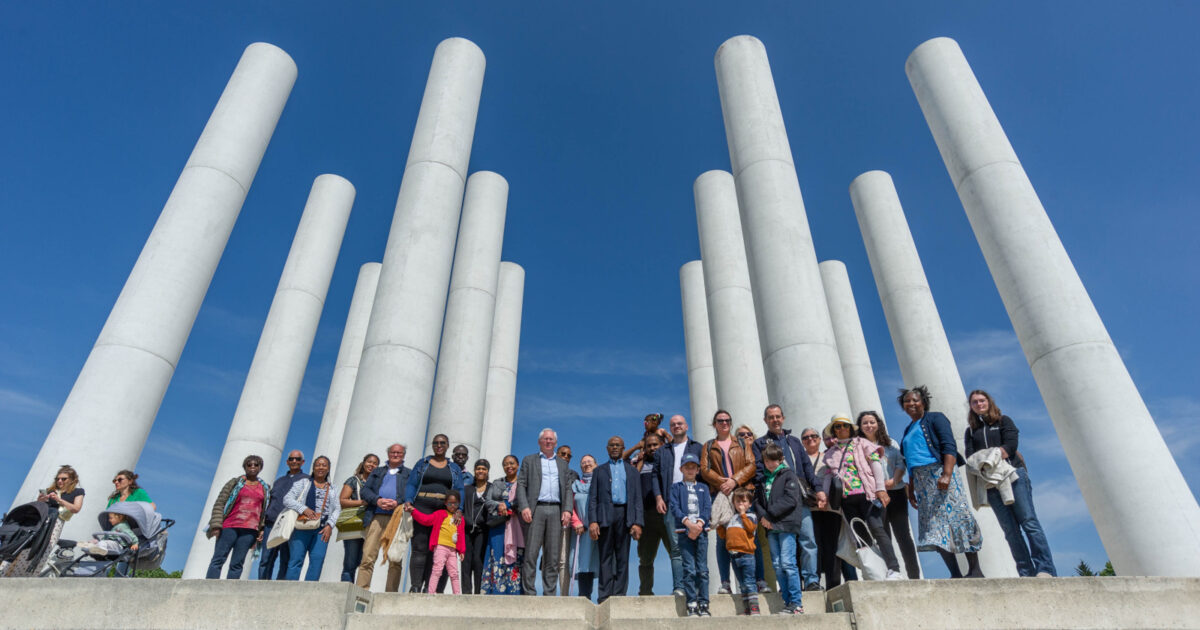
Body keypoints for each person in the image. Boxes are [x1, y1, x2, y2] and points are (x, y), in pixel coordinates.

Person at [964, 389, 1056, 577]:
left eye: (982, 400)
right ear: (971, 406)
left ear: (989, 402)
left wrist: (989, 457)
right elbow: (970, 457)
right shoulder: (971, 431)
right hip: (989, 482)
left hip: (1013, 476)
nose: (979, 404)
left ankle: (1045, 569)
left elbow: (1010, 446)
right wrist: (990, 458)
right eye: (975, 402)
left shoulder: (1003, 421)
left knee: (1029, 522)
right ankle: (1026, 572)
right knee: (1010, 531)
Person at [898, 385, 984, 578]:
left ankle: (975, 570)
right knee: (935, 527)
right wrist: (911, 489)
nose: (911, 403)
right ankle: (955, 574)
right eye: (907, 401)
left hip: (940, 473)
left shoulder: (936, 418)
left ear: (923, 402)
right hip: (921, 481)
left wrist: (947, 473)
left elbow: (948, 445)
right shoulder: (908, 429)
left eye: (915, 400)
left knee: (958, 517)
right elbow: (910, 461)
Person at [821, 413, 903, 581]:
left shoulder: (862, 443)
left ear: (850, 428)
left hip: (867, 494)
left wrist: (880, 489)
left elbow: (875, 464)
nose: (842, 429)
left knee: (877, 528)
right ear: (834, 430)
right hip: (847, 499)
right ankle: (875, 571)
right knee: (859, 535)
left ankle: (894, 568)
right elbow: (829, 476)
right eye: (838, 426)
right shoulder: (830, 453)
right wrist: (825, 496)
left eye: (845, 425)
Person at [751, 404, 823, 592]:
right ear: (765, 420)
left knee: (808, 540)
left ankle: (811, 581)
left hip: (799, 499)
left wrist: (819, 489)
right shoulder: (760, 444)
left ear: (783, 418)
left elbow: (807, 467)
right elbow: (758, 474)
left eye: (777, 416)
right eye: (771, 417)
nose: (775, 420)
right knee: (783, 549)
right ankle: (790, 587)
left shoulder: (794, 441)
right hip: (776, 502)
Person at [857, 411, 920, 579]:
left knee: (903, 535)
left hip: (896, 492)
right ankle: (891, 572)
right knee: (883, 536)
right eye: (865, 423)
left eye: (872, 422)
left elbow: (900, 463)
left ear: (878, 424)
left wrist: (893, 481)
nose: (869, 426)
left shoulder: (890, 443)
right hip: (876, 496)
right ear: (860, 427)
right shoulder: (859, 446)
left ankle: (914, 575)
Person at [699, 410, 755, 594]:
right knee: (722, 539)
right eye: (720, 420)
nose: (724, 423)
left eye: (727, 420)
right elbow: (704, 469)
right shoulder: (709, 446)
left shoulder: (741, 443)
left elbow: (751, 465)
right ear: (714, 424)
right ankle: (725, 582)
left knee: (747, 534)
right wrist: (722, 482)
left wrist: (734, 480)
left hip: (741, 493)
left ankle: (755, 581)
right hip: (721, 494)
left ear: (731, 423)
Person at [645, 414, 699, 596]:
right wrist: (659, 497)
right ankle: (680, 587)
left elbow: (704, 474)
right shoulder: (663, 451)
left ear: (686, 426)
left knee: (696, 545)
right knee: (676, 549)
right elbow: (655, 475)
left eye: (680, 423)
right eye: (673, 424)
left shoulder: (697, 447)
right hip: (671, 502)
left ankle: (697, 587)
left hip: (693, 501)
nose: (676, 426)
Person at [404, 434, 465, 592]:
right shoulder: (422, 463)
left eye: (442, 443)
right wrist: (408, 500)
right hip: (422, 505)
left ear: (447, 445)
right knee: (419, 547)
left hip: (443, 511)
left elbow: (459, 489)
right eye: (436, 443)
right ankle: (416, 586)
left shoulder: (454, 468)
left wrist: (459, 509)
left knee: (439, 550)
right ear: (432, 445)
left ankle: (429, 588)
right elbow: (411, 483)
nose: (439, 445)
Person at [516, 428, 572, 595]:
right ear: (539, 441)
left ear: (555, 443)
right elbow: (521, 484)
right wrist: (524, 506)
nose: (548, 441)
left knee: (553, 556)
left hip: (556, 510)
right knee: (531, 554)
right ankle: (529, 593)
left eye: (551, 439)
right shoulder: (529, 460)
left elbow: (568, 488)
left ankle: (549, 594)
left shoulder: (562, 464)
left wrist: (567, 509)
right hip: (536, 510)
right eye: (545, 439)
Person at [588, 436, 643, 603]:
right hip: (605, 515)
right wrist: (593, 521)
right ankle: (604, 596)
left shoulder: (632, 471)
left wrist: (637, 522)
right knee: (605, 556)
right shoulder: (599, 471)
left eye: (618, 445)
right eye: (611, 445)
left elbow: (637, 499)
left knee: (622, 557)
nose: (614, 448)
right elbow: (593, 498)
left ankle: (619, 595)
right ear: (607, 448)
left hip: (625, 515)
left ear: (623, 448)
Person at [3, 465, 85, 576]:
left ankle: (28, 576)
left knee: (44, 548)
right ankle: (10, 574)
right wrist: (40, 500)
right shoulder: (50, 491)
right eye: (57, 479)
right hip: (39, 521)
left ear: (72, 479)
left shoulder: (78, 491)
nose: (60, 481)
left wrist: (59, 500)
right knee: (25, 546)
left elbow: (76, 508)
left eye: (63, 479)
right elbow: (39, 507)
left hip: (55, 523)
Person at [755, 444, 806, 615]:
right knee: (777, 565)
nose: (770, 464)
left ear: (781, 460)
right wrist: (763, 517)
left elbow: (790, 500)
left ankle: (796, 603)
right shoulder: (763, 479)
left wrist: (769, 515)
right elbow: (758, 501)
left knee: (788, 563)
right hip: (771, 527)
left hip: (786, 525)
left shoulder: (788, 475)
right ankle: (787, 601)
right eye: (767, 461)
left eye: (774, 460)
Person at [804, 427, 858, 588]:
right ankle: (813, 583)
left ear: (819, 439)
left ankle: (833, 585)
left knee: (833, 547)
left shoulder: (829, 456)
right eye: (806, 437)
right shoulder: (801, 460)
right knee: (813, 547)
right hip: (810, 509)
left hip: (831, 508)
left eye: (814, 436)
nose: (810, 439)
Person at [205, 455, 269, 579]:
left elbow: (264, 510)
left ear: (260, 468)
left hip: (250, 530)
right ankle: (209, 587)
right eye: (249, 465)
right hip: (229, 526)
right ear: (245, 467)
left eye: (256, 465)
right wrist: (216, 525)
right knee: (218, 559)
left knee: (237, 563)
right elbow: (220, 503)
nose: (252, 467)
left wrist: (261, 529)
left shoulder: (265, 488)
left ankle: (230, 589)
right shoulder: (234, 483)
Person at [357, 444, 410, 591]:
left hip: (397, 519)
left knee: (395, 559)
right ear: (388, 454)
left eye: (399, 452)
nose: (396, 455)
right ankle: (361, 591)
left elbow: (412, 494)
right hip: (376, 517)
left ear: (404, 455)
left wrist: (397, 502)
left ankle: (390, 595)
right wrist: (377, 500)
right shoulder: (377, 472)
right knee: (368, 556)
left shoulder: (409, 474)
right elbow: (365, 491)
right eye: (393, 452)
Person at [283, 455, 340, 581]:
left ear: (328, 469)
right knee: (296, 560)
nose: (321, 467)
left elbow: (337, 508)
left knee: (317, 560)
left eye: (324, 465)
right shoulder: (303, 483)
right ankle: (290, 589)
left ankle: (310, 590)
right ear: (313, 468)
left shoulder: (333, 488)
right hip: (302, 526)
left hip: (322, 529)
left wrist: (330, 525)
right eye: (318, 465)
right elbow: (287, 499)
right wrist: (303, 509)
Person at [670, 453, 712, 617]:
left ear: (697, 470)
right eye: (687, 467)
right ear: (681, 469)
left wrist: (699, 524)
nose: (690, 470)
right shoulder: (676, 487)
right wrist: (688, 524)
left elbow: (707, 507)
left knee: (702, 569)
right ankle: (692, 603)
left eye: (693, 467)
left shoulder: (703, 488)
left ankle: (704, 603)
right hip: (684, 532)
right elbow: (674, 507)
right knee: (689, 569)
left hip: (701, 532)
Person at [260, 450, 308, 580]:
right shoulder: (279, 481)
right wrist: (262, 526)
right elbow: (270, 502)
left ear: (303, 462)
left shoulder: (307, 480)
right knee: (266, 559)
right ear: (287, 462)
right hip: (271, 524)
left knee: (286, 560)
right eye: (291, 459)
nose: (294, 461)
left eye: (297, 459)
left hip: (291, 524)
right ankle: (262, 586)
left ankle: (279, 587)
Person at [482, 454, 523, 595]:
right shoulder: (496, 483)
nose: (509, 466)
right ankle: (495, 591)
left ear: (517, 465)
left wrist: (509, 505)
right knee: (497, 555)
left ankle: (514, 593)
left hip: (517, 526)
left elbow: (525, 500)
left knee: (515, 557)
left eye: (512, 463)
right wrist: (500, 506)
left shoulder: (523, 483)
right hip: (498, 526)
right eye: (505, 464)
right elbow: (488, 501)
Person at [411, 491, 466, 594]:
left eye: (455, 503)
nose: (452, 506)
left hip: (452, 550)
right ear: (445, 503)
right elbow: (426, 520)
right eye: (450, 503)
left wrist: (462, 550)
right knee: (437, 570)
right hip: (441, 547)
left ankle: (457, 595)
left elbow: (461, 535)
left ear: (459, 503)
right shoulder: (440, 514)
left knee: (454, 573)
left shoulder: (460, 519)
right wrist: (413, 511)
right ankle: (431, 593)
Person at [718, 487, 760, 616]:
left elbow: (750, 528)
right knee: (742, 584)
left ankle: (754, 608)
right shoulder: (731, 518)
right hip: (734, 556)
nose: (740, 504)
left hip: (747, 555)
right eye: (738, 502)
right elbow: (724, 536)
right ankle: (746, 609)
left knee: (749, 582)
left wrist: (743, 514)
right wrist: (719, 525)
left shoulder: (751, 516)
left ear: (750, 504)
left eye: (744, 501)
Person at [338, 453, 379, 584]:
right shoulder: (353, 480)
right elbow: (342, 501)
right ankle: (345, 589)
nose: (371, 465)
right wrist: (362, 502)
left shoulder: (378, 483)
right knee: (350, 562)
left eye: (375, 463)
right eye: (369, 462)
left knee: (363, 561)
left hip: (370, 524)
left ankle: (358, 590)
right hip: (354, 522)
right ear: (364, 463)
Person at [569, 454, 600, 599]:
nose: (586, 464)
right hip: (581, 530)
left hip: (598, 528)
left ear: (596, 464)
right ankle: (584, 595)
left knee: (598, 560)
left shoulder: (601, 482)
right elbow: (570, 506)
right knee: (583, 562)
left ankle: (604, 596)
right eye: (583, 462)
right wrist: (576, 522)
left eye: (589, 461)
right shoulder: (575, 485)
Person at [461, 459, 493, 593]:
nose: (481, 471)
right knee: (466, 562)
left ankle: (479, 593)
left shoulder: (492, 488)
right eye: (478, 468)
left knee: (478, 561)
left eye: (484, 469)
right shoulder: (467, 489)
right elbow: (461, 507)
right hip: (467, 530)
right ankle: (466, 594)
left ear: (487, 471)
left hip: (483, 530)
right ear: (474, 471)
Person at [555, 443, 578, 595]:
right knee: (549, 558)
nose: (566, 457)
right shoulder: (545, 471)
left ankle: (564, 595)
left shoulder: (573, 475)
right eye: (563, 454)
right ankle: (548, 594)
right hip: (546, 517)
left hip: (565, 520)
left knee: (563, 559)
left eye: (569, 455)